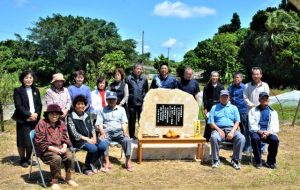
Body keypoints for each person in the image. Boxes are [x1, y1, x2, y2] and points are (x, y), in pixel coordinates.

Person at [35, 104, 78, 190]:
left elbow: (65, 138)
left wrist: (65, 147)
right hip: (46, 150)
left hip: (60, 148)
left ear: (59, 115)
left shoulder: (61, 123)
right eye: (52, 113)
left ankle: (68, 178)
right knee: (56, 158)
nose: (55, 115)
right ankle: (55, 181)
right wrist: (54, 149)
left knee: (70, 156)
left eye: (57, 114)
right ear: (48, 114)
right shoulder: (42, 123)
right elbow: (40, 141)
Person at [67, 95, 107, 175]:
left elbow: (92, 128)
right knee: (93, 148)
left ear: (85, 105)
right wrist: (88, 139)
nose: (80, 106)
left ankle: (91, 163)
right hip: (79, 141)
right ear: (74, 106)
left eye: (82, 104)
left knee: (103, 145)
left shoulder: (87, 115)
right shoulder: (70, 117)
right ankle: (86, 168)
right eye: (78, 104)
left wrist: (94, 137)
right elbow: (74, 133)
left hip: (91, 138)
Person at [95, 91, 133, 172]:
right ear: (106, 100)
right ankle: (107, 162)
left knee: (127, 140)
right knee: (103, 141)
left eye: (113, 99)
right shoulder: (102, 110)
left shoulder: (121, 109)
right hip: (107, 132)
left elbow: (124, 122)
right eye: (109, 99)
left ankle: (128, 161)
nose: (111, 101)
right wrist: (102, 132)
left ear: (116, 100)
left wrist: (125, 132)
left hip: (119, 131)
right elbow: (99, 123)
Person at [208, 90, 245, 170]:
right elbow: (211, 122)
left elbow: (237, 121)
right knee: (214, 137)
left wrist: (232, 132)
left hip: (231, 129)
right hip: (218, 129)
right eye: (222, 96)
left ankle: (235, 160)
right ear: (219, 98)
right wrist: (219, 130)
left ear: (229, 97)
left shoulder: (234, 108)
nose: (224, 98)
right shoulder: (214, 107)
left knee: (241, 138)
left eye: (226, 96)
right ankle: (215, 159)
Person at [12, 70, 42, 167]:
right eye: (26, 78)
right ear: (22, 79)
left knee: (31, 140)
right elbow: (18, 106)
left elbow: (39, 104)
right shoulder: (18, 90)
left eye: (30, 77)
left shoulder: (36, 90)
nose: (29, 80)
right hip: (23, 119)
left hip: (34, 119)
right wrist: (29, 115)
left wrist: (36, 114)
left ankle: (29, 158)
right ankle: (22, 159)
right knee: (22, 140)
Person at [248, 92, 279, 169]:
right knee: (255, 138)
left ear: (268, 100)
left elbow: (275, 126)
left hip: (269, 132)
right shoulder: (253, 110)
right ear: (259, 99)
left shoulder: (273, 112)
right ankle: (258, 161)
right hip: (257, 131)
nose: (264, 100)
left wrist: (268, 132)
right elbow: (251, 125)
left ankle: (271, 162)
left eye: (266, 98)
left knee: (275, 140)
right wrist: (260, 132)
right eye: (262, 98)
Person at [244, 67, 270, 153]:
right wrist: (251, 104)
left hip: (262, 111)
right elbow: (245, 97)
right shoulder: (247, 85)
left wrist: (262, 105)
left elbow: (266, 98)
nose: (256, 76)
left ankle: (262, 148)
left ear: (261, 75)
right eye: (254, 74)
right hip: (250, 111)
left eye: (258, 74)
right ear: (252, 75)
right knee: (248, 130)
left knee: (262, 129)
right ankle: (247, 147)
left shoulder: (265, 85)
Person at [228, 72, 250, 152]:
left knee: (244, 128)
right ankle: (233, 143)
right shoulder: (230, 87)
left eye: (238, 77)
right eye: (235, 77)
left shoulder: (245, 87)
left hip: (242, 110)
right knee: (232, 127)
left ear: (241, 78)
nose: (236, 79)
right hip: (233, 111)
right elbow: (228, 97)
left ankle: (245, 146)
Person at [126, 62, 149, 139]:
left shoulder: (144, 78)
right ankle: (132, 136)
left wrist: (144, 98)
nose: (139, 70)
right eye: (137, 69)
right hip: (131, 103)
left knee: (141, 120)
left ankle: (141, 135)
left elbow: (146, 90)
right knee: (132, 121)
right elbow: (126, 90)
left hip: (141, 103)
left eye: (140, 69)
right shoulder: (129, 78)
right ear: (134, 69)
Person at [202, 71, 224, 141]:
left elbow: (223, 98)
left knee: (218, 122)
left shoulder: (221, 87)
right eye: (213, 76)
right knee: (208, 121)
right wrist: (205, 108)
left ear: (218, 77)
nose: (214, 77)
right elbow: (204, 98)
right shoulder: (206, 86)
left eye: (216, 76)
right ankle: (207, 137)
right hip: (209, 106)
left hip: (218, 106)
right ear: (210, 77)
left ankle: (218, 137)